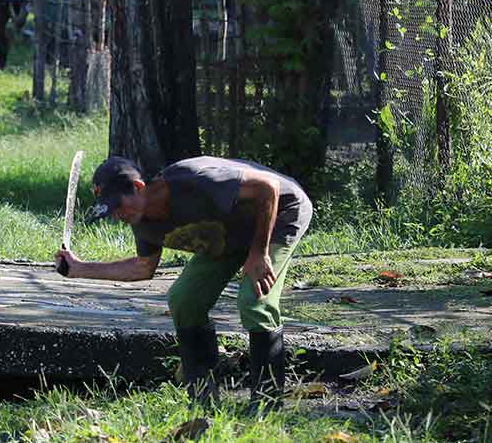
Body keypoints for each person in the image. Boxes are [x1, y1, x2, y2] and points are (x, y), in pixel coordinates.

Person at [55, 156, 313, 411]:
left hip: (280, 214)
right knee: (183, 301)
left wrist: (259, 252)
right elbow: (142, 268)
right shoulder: (141, 221)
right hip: (231, 231)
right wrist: (78, 269)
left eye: (117, 205)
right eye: (110, 210)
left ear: (138, 187)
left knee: (254, 300)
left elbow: (268, 187)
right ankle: (203, 400)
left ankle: (267, 404)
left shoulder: (195, 179)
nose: (117, 215)